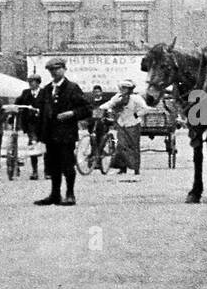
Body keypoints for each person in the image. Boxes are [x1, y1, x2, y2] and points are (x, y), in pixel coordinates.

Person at [34, 58, 91, 206]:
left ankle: (70, 194)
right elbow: (41, 113)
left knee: (67, 164)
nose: (54, 73)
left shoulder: (72, 88)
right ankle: (55, 195)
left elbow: (86, 109)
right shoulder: (46, 90)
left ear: (64, 69)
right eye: (51, 70)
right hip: (50, 135)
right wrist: (40, 135)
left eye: (57, 69)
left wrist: (71, 113)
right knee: (52, 165)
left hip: (66, 135)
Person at [102, 79, 149, 176]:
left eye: (125, 88)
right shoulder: (118, 97)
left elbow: (145, 109)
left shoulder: (136, 98)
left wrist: (136, 115)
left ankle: (136, 169)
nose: (123, 89)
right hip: (121, 123)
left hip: (133, 124)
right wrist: (101, 108)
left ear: (129, 89)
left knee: (134, 146)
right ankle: (122, 167)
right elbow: (110, 103)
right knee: (121, 146)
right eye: (122, 87)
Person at [15, 75, 43, 180]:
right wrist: (13, 108)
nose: (31, 84)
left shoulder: (44, 93)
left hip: (43, 124)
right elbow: (18, 102)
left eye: (33, 82)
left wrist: (40, 110)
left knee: (46, 147)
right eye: (30, 82)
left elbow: (49, 106)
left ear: (38, 83)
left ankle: (48, 171)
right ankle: (35, 171)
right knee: (32, 144)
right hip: (30, 124)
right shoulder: (25, 93)